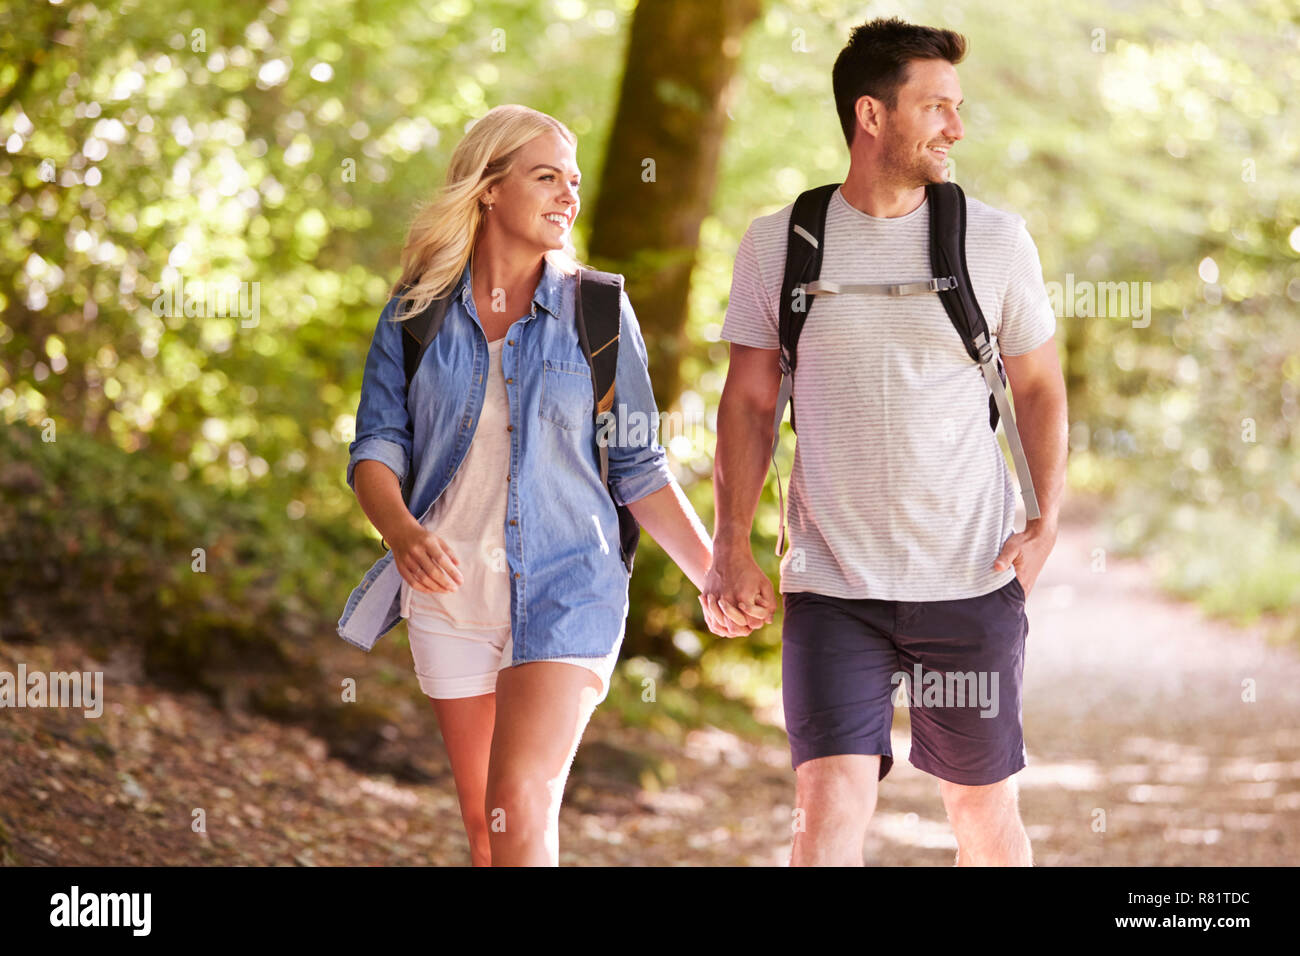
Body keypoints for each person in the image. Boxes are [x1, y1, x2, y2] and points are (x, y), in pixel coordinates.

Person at [337, 104, 747, 866]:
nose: (569, 196)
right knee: (484, 826)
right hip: (449, 593)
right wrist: (400, 531)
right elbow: (377, 446)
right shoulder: (415, 313)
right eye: (547, 177)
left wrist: (714, 573)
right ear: (489, 188)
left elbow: (638, 466)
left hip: (570, 584)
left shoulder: (596, 308)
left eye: (576, 181)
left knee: (520, 799)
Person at [702, 17, 1068, 866]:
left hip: (971, 579)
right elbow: (750, 403)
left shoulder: (995, 239)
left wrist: (1049, 514)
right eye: (936, 107)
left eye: (958, 107)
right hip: (834, 588)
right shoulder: (779, 246)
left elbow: (1039, 385)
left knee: (979, 809)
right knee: (825, 803)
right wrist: (730, 546)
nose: (956, 128)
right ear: (872, 115)